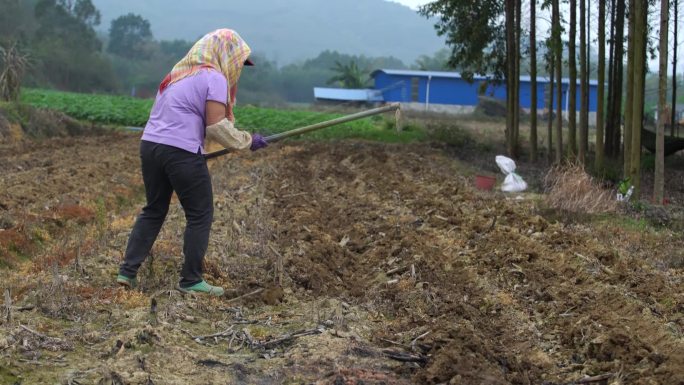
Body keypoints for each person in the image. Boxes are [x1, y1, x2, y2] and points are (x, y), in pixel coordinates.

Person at [116, 29, 268, 296]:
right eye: (238, 61)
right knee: (200, 214)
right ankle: (191, 280)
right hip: (180, 151)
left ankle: (127, 272)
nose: (238, 69)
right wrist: (247, 141)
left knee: (154, 209)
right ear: (226, 55)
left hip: (150, 146)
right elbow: (217, 127)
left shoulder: (178, 74)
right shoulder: (214, 77)